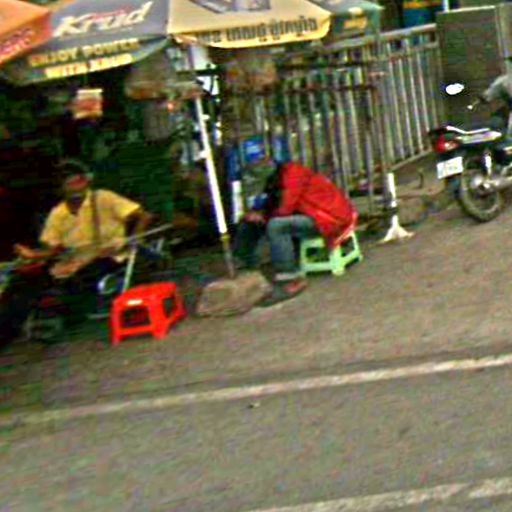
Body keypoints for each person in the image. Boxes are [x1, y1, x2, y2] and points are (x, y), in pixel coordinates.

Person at [0, 164, 153, 343]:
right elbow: (54, 249)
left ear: (86, 182)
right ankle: (6, 332)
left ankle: (66, 316)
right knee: (22, 282)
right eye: (69, 184)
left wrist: (132, 240)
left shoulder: (103, 198)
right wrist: (34, 256)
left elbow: (144, 216)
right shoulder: (58, 213)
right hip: (73, 260)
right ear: (61, 189)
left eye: (79, 182)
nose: (76, 188)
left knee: (76, 279)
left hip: (108, 256)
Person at [234, 158, 355, 306]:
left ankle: (290, 279)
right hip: (315, 214)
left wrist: (262, 216)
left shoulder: (293, 176)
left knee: (276, 226)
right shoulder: (279, 177)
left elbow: (285, 209)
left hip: (330, 219)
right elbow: (274, 204)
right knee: (251, 222)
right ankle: (245, 266)